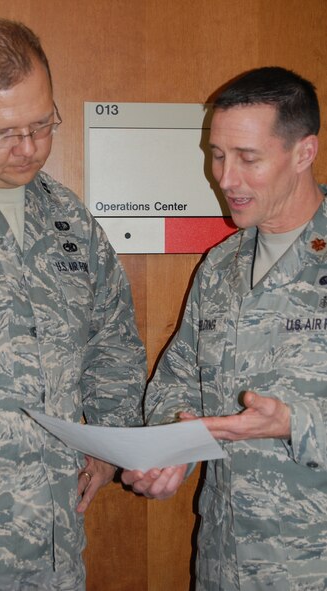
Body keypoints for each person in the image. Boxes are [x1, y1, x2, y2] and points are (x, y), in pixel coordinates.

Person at [0, 18, 146, 591]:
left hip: (54, 539)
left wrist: (108, 437)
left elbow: (114, 338)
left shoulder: (66, 216)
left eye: (41, 124)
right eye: (3, 132)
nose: (28, 149)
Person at [122, 66, 327, 590]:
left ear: (303, 153)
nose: (225, 178)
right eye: (217, 154)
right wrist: (171, 447)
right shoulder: (221, 266)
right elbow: (176, 379)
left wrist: (296, 423)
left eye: (248, 158)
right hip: (224, 563)